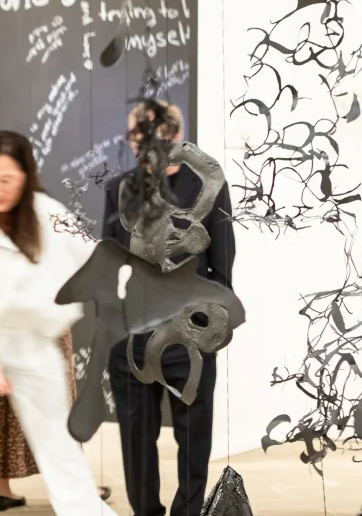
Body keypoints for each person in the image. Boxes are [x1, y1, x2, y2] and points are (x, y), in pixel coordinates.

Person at [0, 131, 117, 516]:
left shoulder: (46, 212)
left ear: (26, 177)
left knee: (61, 449)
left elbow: (95, 258)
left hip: (32, 343)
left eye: (7, 180)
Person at [102, 101, 235, 516]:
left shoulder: (208, 186)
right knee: (136, 441)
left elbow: (222, 265)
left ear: (176, 134)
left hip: (191, 332)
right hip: (132, 335)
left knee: (193, 438)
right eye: (138, 134)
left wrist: (212, 327)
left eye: (157, 132)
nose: (146, 142)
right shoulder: (119, 189)